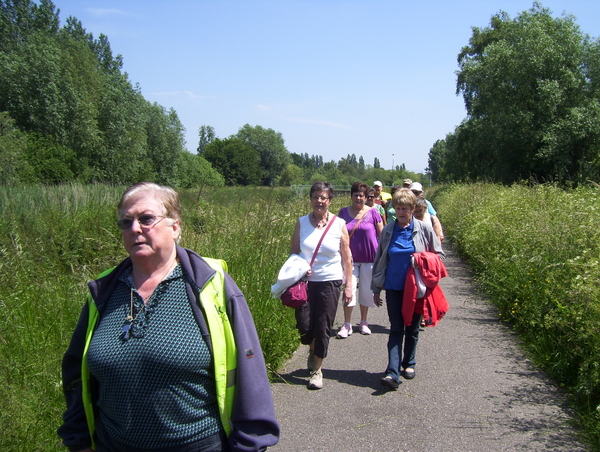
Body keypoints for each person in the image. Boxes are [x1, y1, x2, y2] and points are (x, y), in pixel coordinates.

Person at [58, 182, 279, 452]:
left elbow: (250, 371)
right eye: (126, 222)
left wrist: (249, 444)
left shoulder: (211, 285)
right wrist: (79, 443)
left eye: (146, 218)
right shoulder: (103, 291)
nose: (135, 229)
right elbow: (75, 375)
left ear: (175, 227)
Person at [371, 188, 445, 390]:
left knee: (412, 329)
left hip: (417, 290)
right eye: (397, 208)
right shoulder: (388, 230)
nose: (401, 212)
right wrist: (376, 288)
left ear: (413, 209)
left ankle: (409, 363)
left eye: (405, 208)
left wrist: (422, 260)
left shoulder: (424, 228)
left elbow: (439, 256)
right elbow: (380, 260)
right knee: (396, 329)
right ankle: (392, 372)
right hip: (394, 288)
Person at [290, 181, 353, 390]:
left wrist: (349, 285)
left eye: (323, 197)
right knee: (304, 326)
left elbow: (347, 258)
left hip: (330, 281)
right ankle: (312, 347)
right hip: (305, 283)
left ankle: (317, 370)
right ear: (310, 199)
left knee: (323, 326)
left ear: (330, 200)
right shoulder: (301, 222)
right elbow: (293, 254)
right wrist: (299, 268)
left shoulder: (339, 224)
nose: (319, 201)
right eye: (316, 197)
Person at [337, 182, 384, 338]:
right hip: (349, 260)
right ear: (351, 196)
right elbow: (336, 235)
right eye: (356, 195)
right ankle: (347, 324)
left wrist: (384, 257)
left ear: (366, 197)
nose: (358, 198)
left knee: (366, 291)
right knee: (348, 291)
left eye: (361, 195)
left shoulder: (373, 212)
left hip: (370, 259)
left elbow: (382, 235)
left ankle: (364, 322)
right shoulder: (342, 213)